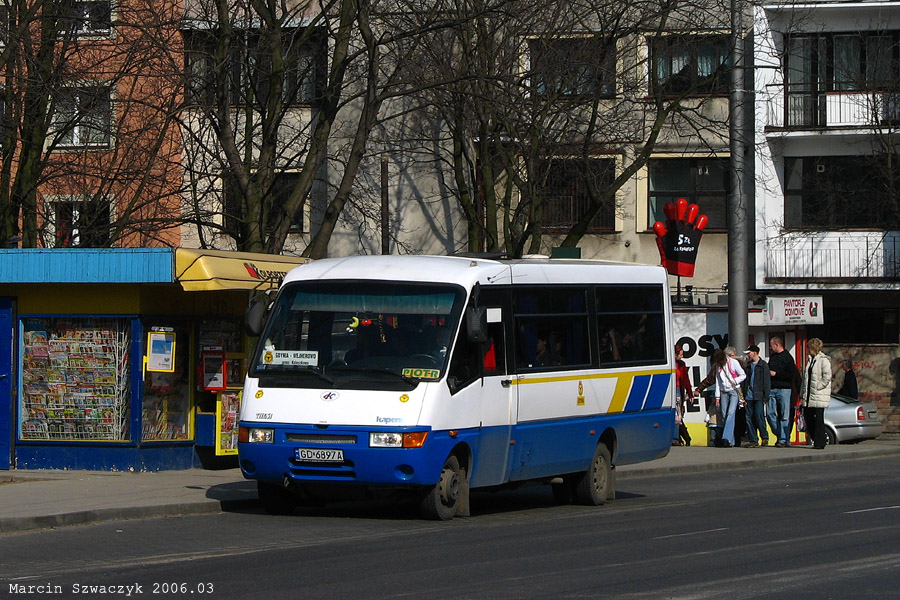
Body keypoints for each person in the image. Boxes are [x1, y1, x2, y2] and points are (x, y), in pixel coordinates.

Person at [695, 348, 746, 448]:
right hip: (723, 392)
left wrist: (734, 381)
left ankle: (726, 438)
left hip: (734, 390)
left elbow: (743, 375)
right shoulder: (718, 366)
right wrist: (717, 397)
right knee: (724, 414)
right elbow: (718, 382)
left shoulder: (733, 362)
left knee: (731, 413)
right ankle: (730, 440)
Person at [800, 338, 832, 449]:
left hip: (819, 394)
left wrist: (819, 386)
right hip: (809, 395)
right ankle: (815, 438)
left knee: (819, 419)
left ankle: (820, 442)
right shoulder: (810, 360)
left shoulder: (823, 360)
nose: (808, 350)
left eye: (809, 347)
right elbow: (806, 378)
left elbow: (827, 377)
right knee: (808, 417)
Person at [767, 337, 796, 448]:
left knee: (784, 415)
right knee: (770, 414)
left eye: (771, 345)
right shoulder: (773, 357)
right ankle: (780, 434)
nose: (770, 348)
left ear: (777, 345)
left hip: (784, 389)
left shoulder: (787, 358)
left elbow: (791, 374)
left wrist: (776, 374)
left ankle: (783, 439)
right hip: (772, 388)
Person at [742, 344, 771, 447]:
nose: (747, 356)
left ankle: (764, 437)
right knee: (749, 418)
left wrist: (765, 396)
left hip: (759, 395)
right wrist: (743, 395)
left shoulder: (763, 365)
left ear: (754, 353)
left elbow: (766, 381)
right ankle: (753, 440)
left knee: (759, 417)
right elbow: (745, 381)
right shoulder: (748, 366)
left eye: (749, 353)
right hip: (749, 396)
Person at [673, 345, 694, 446]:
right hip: (670, 390)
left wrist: (690, 394)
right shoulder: (670, 364)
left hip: (677, 390)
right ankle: (681, 437)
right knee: (674, 415)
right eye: (680, 354)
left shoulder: (681, 364)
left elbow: (686, 379)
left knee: (677, 415)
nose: (682, 357)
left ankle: (675, 439)